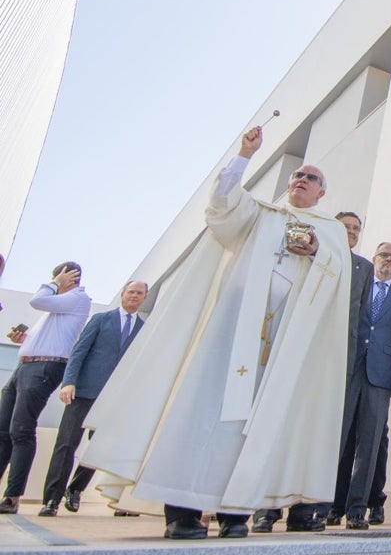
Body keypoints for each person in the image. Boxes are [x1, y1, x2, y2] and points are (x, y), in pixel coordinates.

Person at [80, 125, 352, 540]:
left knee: (254, 426)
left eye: (310, 178)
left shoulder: (329, 233)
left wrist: (316, 250)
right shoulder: (260, 214)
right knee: (199, 410)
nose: (301, 180)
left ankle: (234, 511)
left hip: (280, 342)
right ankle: (183, 511)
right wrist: (243, 156)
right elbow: (222, 207)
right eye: (297, 175)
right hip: (230, 331)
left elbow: (337, 281)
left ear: (322, 193)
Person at [252, 210, 375, 534]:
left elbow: (358, 318)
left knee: (321, 434)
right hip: (300, 350)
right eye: (345, 227)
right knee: (282, 425)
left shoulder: (364, 267)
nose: (351, 233)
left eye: (355, 229)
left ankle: (310, 508)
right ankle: (266, 508)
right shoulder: (308, 251)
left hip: (337, 360)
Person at [38, 280, 148, 517]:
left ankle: (75, 489)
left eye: (139, 293)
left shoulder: (144, 328)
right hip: (84, 393)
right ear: (122, 294)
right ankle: (51, 500)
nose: (134, 296)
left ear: (144, 298)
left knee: (101, 449)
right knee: (66, 445)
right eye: (130, 292)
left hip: (114, 401)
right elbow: (79, 351)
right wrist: (69, 382)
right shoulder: (101, 320)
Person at [0, 262, 90, 514]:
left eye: (58, 276)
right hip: (24, 367)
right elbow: (52, 338)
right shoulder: (58, 308)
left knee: (21, 430)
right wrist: (25, 340)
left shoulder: (77, 298)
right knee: (2, 430)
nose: (54, 280)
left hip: (43, 369)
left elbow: (36, 301)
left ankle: (12, 497)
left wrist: (53, 284)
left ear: (70, 277)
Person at [337, 241, 391, 531]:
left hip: (380, 376)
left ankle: (357, 509)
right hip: (349, 368)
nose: (389, 261)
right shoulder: (358, 286)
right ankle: (331, 505)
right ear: (374, 258)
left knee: (370, 443)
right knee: (340, 438)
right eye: (384, 255)